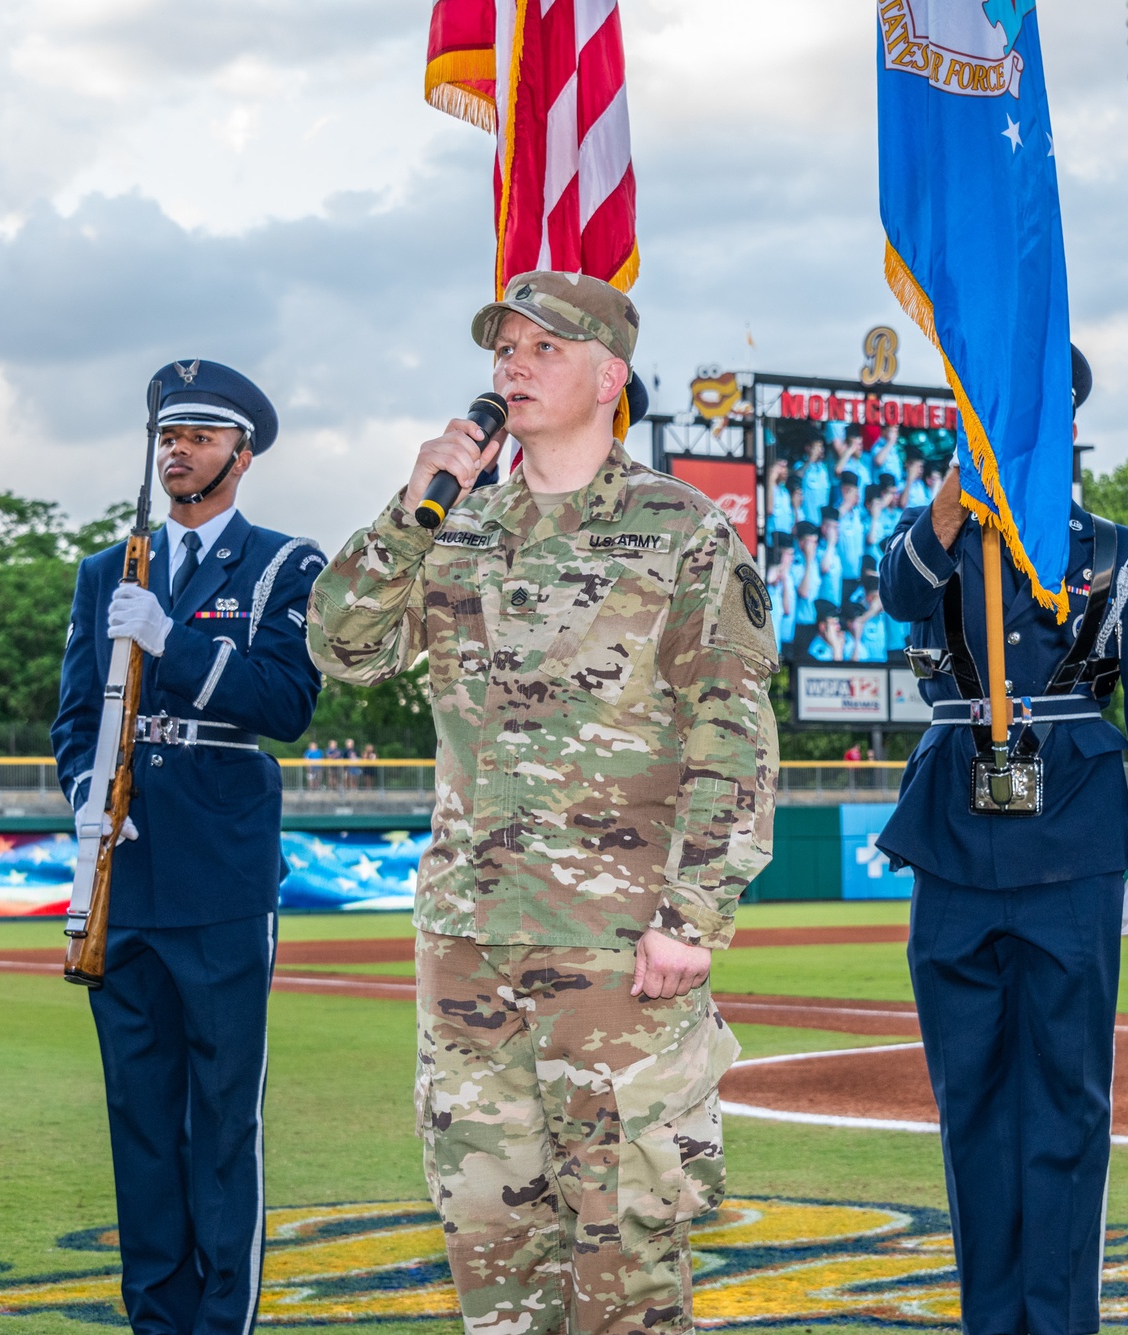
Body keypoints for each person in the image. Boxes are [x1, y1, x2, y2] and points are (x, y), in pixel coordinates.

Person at [304, 270, 778, 1335]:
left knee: (626, 1262)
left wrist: (692, 917)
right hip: (469, 945)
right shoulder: (454, 525)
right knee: (492, 1260)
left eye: (540, 349)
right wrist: (411, 503)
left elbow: (734, 733)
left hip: (617, 953)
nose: (510, 366)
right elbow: (341, 646)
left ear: (608, 378)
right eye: (502, 349)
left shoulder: (681, 533)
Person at [875, 346, 1128, 1335]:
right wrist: (950, 503)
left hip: (1074, 843)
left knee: (1064, 1107)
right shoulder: (930, 539)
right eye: (990, 409)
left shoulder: (1115, 552)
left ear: (1067, 425)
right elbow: (897, 595)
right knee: (967, 1105)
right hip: (955, 846)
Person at [52, 358, 325, 1335]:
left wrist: (175, 642)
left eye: (200, 437)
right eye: (168, 436)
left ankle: (221, 1324)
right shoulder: (103, 573)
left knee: (221, 1123)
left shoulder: (283, 565)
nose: (178, 451)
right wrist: (93, 806)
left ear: (241, 456)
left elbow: (287, 704)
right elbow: (76, 717)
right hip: (125, 871)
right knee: (138, 1122)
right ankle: (155, 1322)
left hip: (218, 870)